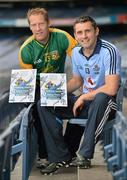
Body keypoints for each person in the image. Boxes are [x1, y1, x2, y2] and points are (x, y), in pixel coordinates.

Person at [38, 15, 121, 175]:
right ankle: (60, 156)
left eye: (87, 31)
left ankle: (84, 155)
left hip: (106, 104)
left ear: (96, 31)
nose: (84, 36)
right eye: (80, 33)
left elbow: (111, 88)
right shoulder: (76, 52)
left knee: (101, 97)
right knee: (44, 103)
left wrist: (83, 97)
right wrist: (54, 92)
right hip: (85, 103)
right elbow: (76, 81)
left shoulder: (109, 51)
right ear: (75, 36)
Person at [18, 7, 84, 169]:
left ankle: (68, 151)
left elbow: (80, 60)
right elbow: (28, 83)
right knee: (38, 110)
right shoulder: (26, 50)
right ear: (30, 27)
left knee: (79, 108)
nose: (38, 28)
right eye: (34, 25)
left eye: (41, 23)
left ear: (49, 24)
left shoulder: (62, 37)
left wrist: (81, 84)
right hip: (38, 86)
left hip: (58, 85)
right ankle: (44, 154)